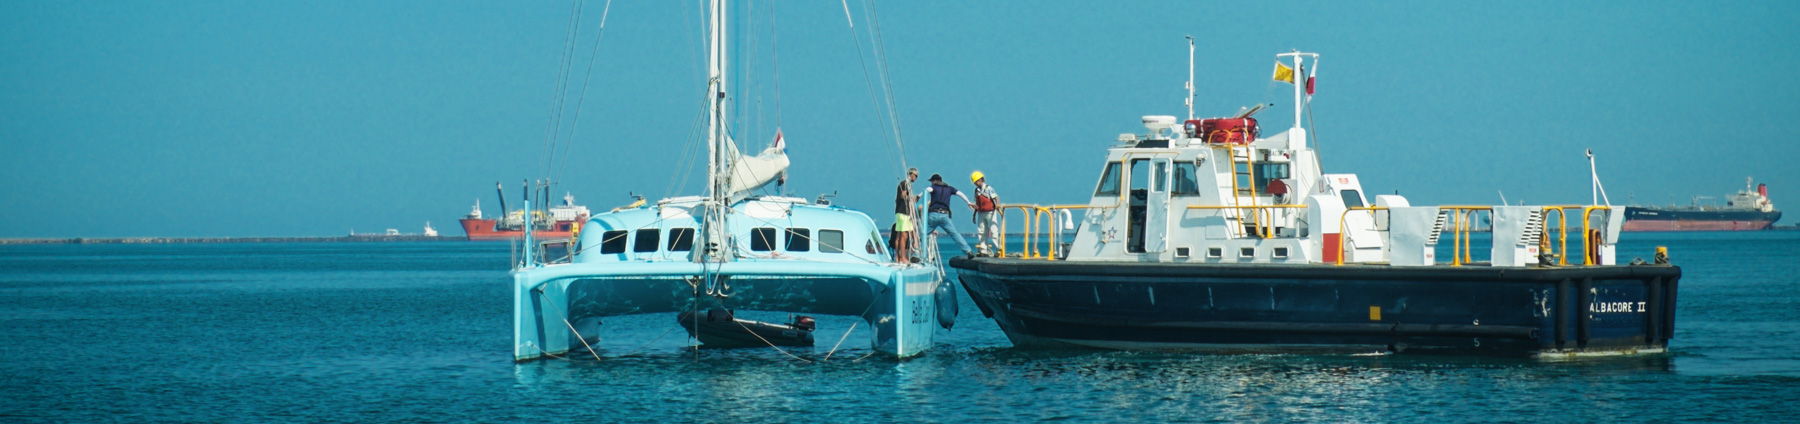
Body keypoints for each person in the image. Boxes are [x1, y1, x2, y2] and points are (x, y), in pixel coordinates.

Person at [922, 173, 978, 258]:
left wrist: (919, 196)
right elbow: (960, 194)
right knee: (954, 234)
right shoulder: (949, 188)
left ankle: (917, 255)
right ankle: (968, 251)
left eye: (932, 181)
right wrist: (968, 202)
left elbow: (927, 190)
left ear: (935, 181)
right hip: (944, 215)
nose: (931, 183)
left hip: (933, 214)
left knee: (923, 234)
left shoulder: (934, 187)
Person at [970, 171, 1000, 256]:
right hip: (981, 213)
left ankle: (998, 249)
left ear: (981, 180)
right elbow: (977, 203)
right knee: (982, 231)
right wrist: (974, 214)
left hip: (990, 212)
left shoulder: (988, 188)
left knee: (994, 230)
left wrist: (997, 206)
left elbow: (996, 198)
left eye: (976, 181)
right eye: (975, 182)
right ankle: (983, 250)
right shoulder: (976, 191)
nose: (976, 183)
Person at [892, 168, 919, 263]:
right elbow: (903, 195)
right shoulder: (905, 184)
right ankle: (903, 257)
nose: (916, 178)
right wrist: (912, 198)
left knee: (899, 235)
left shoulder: (904, 184)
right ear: (912, 175)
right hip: (903, 212)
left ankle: (897, 258)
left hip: (899, 212)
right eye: (916, 176)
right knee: (904, 236)